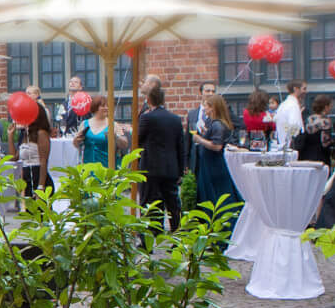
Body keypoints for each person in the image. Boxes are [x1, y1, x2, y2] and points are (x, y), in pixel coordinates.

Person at [136, 82, 187, 231]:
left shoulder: (147, 118)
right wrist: (180, 169)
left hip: (150, 169)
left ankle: (150, 237)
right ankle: (177, 234)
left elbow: (137, 140)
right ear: (164, 100)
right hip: (170, 168)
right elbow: (180, 147)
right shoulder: (175, 119)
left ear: (149, 100)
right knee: (173, 204)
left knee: (149, 204)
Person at [191, 93, 239, 210]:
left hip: (214, 167)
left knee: (216, 194)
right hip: (211, 165)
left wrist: (199, 139)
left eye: (206, 106)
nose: (205, 108)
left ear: (213, 108)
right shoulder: (216, 123)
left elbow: (217, 146)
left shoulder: (217, 124)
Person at [74, 95, 128, 168]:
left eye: (107, 106)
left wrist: (116, 137)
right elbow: (77, 145)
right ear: (95, 107)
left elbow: (124, 144)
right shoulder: (84, 124)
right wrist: (76, 140)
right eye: (103, 106)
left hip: (107, 166)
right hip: (88, 166)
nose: (106, 108)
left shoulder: (113, 125)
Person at [273, 80, 307, 152]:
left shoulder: (284, 104)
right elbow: (294, 127)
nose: (305, 91)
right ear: (295, 89)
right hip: (291, 147)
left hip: (284, 144)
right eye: (304, 89)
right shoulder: (293, 106)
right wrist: (290, 137)